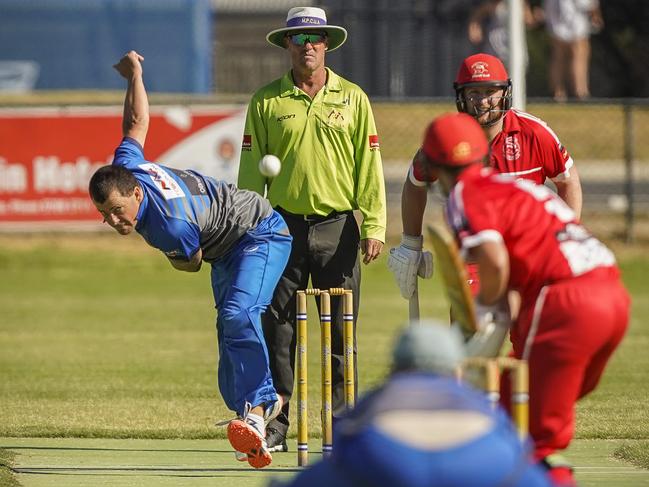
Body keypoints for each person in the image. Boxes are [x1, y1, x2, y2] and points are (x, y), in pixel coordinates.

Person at [88, 51, 292, 469]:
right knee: (227, 329)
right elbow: (135, 124)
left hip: (261, 233)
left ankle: (263, 406)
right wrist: (136, 75)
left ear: (137, 194)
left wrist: (171, 259)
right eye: (104, 215)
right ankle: (248, 424)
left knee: (239, 312)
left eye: (117, 211)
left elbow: (191, 262)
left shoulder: (167, 225)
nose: (113, 221)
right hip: (227, 246)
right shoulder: (129, 167)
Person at [415, 112, 630, 487]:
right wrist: (501, 312)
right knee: (516, 409)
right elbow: (521, 266)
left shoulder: (464, 194)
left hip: (567, 302)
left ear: (434, 165)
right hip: (612, 294)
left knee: (524, 430)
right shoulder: (517, 188)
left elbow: (494, 260)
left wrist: (484, 313)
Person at [237, 7, 387, 452]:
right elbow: (250, 172)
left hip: (339, 227)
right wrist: (249, 226)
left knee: (341, 332)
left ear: (327, 44)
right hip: (281, 228)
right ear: (287, 44)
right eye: (299, 39)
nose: (308, 46)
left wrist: (374, 223)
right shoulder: (267, 100)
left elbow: (369, 167)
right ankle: (278, 428)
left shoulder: (353, 98)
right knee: (278, 328)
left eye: (315, 38)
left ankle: (342, 429)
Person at [389, 52, 582, 302]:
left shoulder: (534, 132)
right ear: (462, 95)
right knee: (469, 323)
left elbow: (567, 180)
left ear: (504, 92)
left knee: (528, 332)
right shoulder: (447, 137)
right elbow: (415, 183)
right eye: (474, 92)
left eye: (490, 91)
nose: (483, 101)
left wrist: (566, 236)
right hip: (476, 251)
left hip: (530, 249)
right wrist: (410, 244)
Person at [270, 321, 554, 487]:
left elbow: (344, 445)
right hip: (482, 460)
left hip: (386, 459)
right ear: (457, 371)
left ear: (396, 367)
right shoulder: (478, 401)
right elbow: (516, 452)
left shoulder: (381, 396)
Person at [543, 0, 603, 101]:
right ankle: (580, 92)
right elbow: (587, 4)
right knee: (578, 57)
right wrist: (595, 15)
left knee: (558, 58)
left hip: (557, 21)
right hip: (575, 23)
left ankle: (558, 93)